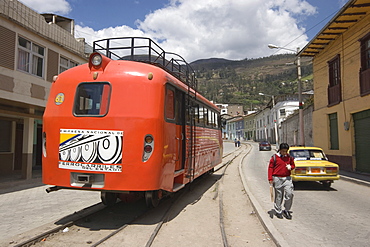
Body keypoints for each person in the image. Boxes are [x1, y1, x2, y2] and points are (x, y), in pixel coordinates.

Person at [268, 143, 295, 219]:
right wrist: (270, 179)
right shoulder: (274, 158)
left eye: (286, 151)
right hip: (277, 178)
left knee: (289, 194)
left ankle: (286, 210)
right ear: (279, 150)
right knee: (279, 195)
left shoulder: (289, 157)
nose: (284, 153)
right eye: (283, 151)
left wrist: (291, 167)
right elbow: (270, 168)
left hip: (287, 178)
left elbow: (293, 165)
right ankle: (278, 210)